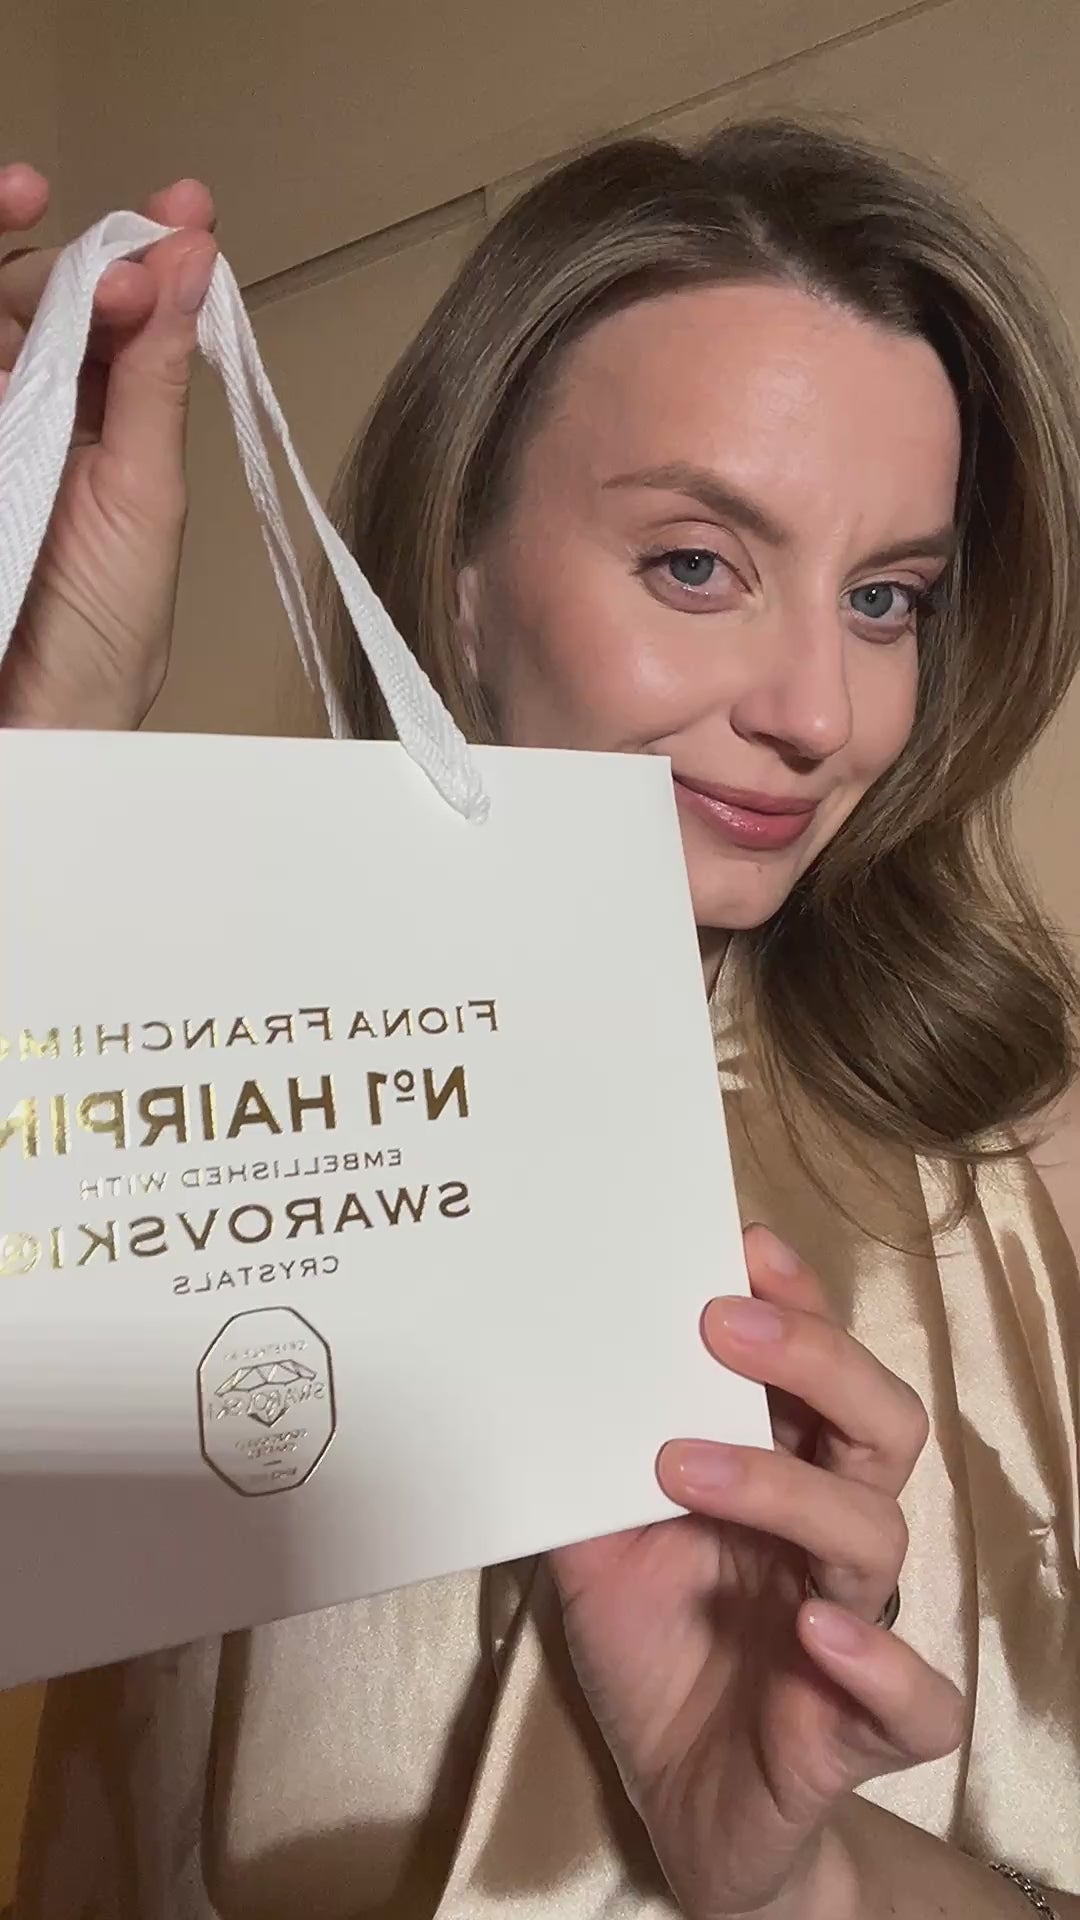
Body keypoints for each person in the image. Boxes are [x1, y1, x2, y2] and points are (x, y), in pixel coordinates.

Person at [1, 119, 1078, 1920]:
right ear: (465, 576)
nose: (822, 713)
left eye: (886, 598)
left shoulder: (1034, 1163)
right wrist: (50, 736)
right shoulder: (201, 1105)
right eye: (698, 565)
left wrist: (806, 1880)